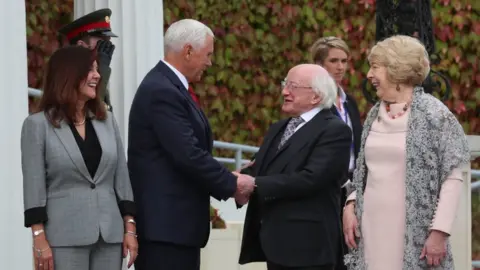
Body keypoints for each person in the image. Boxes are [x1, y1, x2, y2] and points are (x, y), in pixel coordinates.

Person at [127, 19, 255, 270]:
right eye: (207, 54)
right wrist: (232, 184)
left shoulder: (169, 87)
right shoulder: (162, 90)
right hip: (166, 231)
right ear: (188, 51)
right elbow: (188, 154)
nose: (209, 62)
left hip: (175, 229)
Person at [342, 35, 470, 270]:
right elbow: (364, 171)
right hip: (371, 228)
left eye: (375, 67)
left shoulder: (435, 115)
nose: (369, 75)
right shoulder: (374, 114)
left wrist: (439, 232)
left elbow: (452, 177)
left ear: (396, 70)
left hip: (414, 233)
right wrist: (350, 204)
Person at [21, 46, 138, 270]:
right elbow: (34, 186)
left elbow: (121, 179)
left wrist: (130, 228)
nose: (97, 75)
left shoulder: (107, 121)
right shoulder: (37, 126)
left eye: (97, 69)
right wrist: (39, 238)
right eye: (90, 70)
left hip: (110, 237)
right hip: (63, 238)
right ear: (69, 74)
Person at [236, 64, 352, 270]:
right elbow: (261, 167)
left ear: (316, 96)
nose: (284, 91)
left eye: (293, 86)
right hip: (274, 242)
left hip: (308, 247)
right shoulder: (279, 128)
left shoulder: (334, 130)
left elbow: (312, 178)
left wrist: (254, 184)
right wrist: (232, 179)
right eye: (285, 84)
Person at [310, 36, 362, 270]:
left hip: (351, 188)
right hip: (326, 187)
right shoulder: (313, 101)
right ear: (320, 64)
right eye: (334, 60)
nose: (341, 66)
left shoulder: (349, 102)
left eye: (344, 60)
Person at [58, 8, 117, 112]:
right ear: (81, 46)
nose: (106, 47)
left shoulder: (96, 73)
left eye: (107, 42)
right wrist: (102, 70)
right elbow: (90, 111)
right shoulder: (66, 76)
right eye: (101, 42)